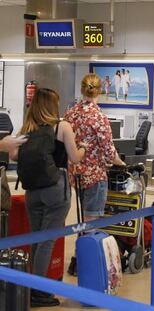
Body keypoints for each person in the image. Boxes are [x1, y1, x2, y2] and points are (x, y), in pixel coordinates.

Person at [10, 88, 85, 308]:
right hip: (56, 188)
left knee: (37, 239)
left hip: (32, 190)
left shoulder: (27, 128)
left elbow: (14, 155)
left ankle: (33, 284)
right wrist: (83, 148)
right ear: (53, 105)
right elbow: (74, 158)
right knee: (47, 239)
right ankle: (39, 291)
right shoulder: (62, 126)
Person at [65, 74, 125, 223]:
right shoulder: (99, 117)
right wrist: (122, 164)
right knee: (91, 220)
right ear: (99, 91)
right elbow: (109, 151)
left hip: (75, 174)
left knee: (82, 218)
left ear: (81, 89)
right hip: (95, 176)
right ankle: (88, 245)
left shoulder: (70, 114)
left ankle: (82, 245)